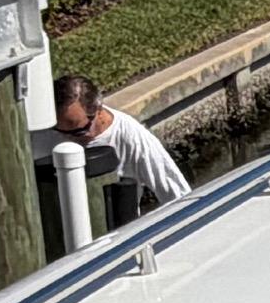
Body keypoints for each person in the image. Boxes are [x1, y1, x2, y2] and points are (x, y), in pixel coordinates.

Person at [51, 74, 189, 226]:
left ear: (98, 108)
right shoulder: (44, 131)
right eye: (61, 131)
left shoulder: (131, 136)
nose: (70, 137)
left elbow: (178, 195)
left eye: (80, 130)